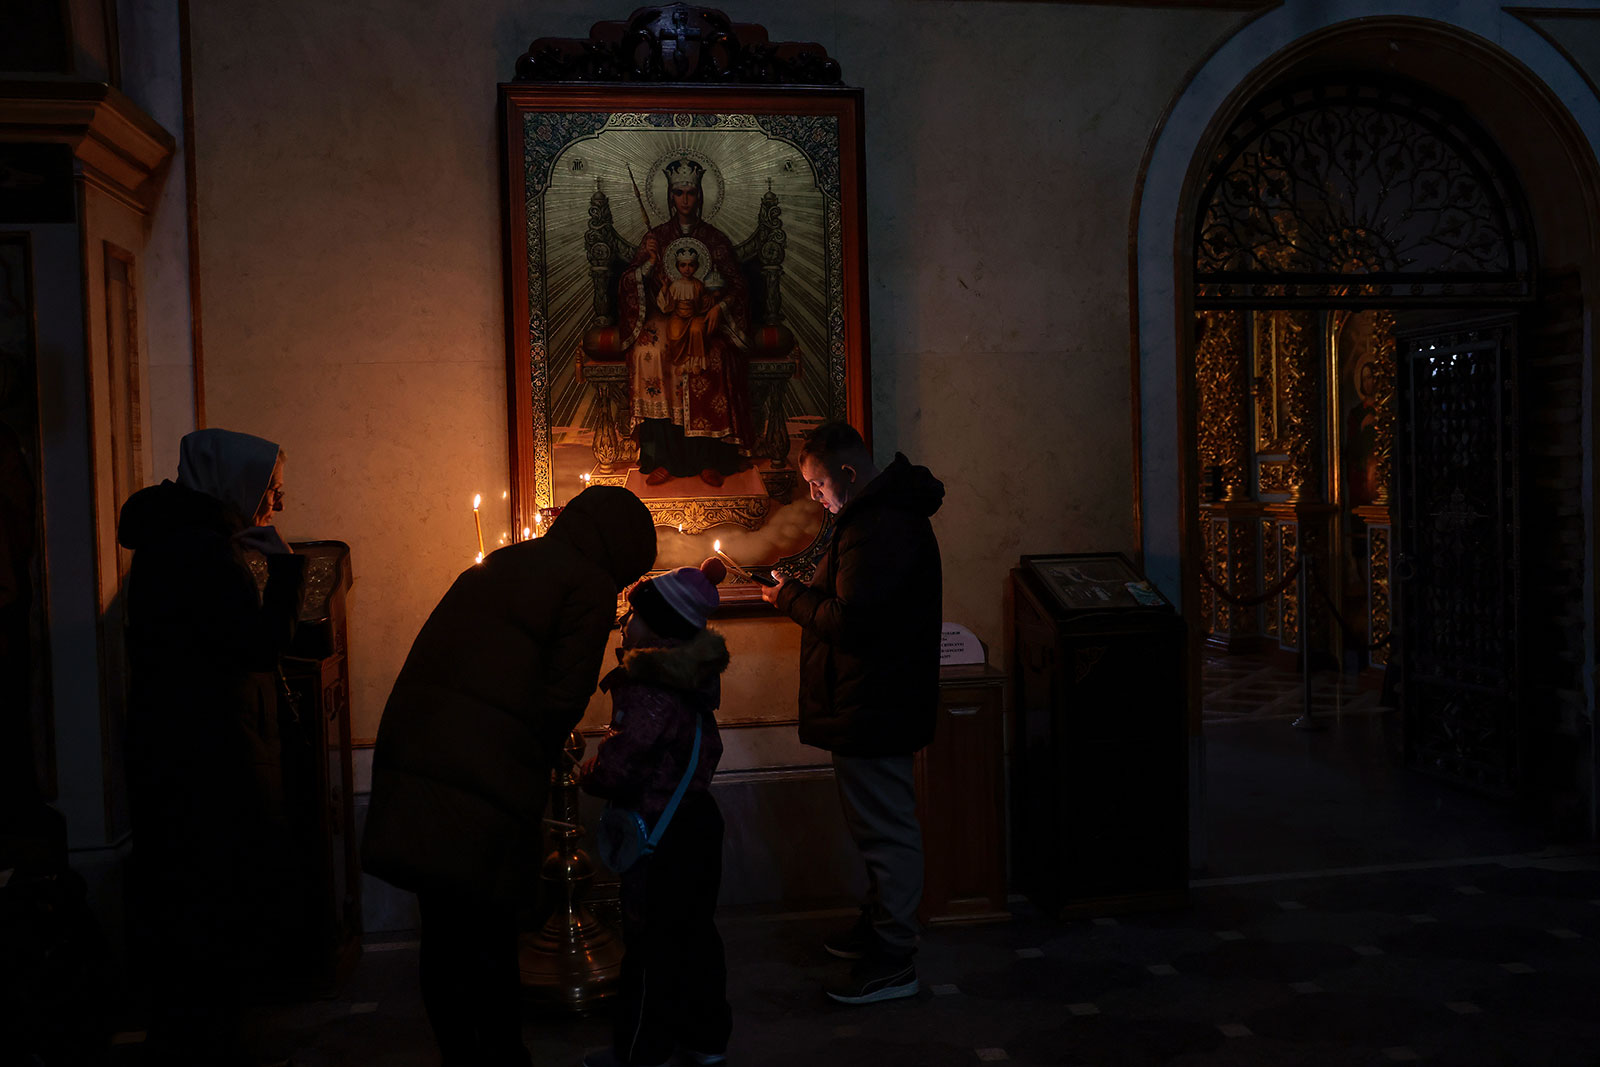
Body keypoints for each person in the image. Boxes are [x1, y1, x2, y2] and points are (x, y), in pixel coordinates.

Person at [362, 485, 656, 1067]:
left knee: (443, 930)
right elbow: (561, 699)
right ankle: (500, 1057)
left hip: (418, 754)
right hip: (483, 779)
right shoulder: (587, 585)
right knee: (491, 932)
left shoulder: (509, 561)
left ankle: (459, 1054)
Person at [116, 428, 305, 1065]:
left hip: (184, 757)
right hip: (204, 766)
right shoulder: (196, 550)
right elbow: (254, 645)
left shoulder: (183, 537)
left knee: (198, 918)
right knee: (209, 917)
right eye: (270, 489)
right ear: (235, 482)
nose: (274, 503)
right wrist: (283, 567)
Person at [760, 421, 944, 1005]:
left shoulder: (879, 525)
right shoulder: (875, 517)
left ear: (846, 472)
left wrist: (788, 596)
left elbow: (853, 623)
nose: (814, 498)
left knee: (887, 830)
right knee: (876, 828)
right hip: (871, 700)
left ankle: (895, 959)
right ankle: (879, 928)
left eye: (816, 485)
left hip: (876, 703)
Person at [579, 559, 733, 1067]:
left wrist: (589, 775)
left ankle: (640, 1050)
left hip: (660, 833)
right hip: (697, 821)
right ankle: (706, 1040)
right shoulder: (694, 684)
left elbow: (622, 765)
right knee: (696, 936)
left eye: (634, 616)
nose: (625, 622)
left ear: (659, 630)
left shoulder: (649, 688)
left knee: (649, 945)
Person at [618, 158, 754, 487]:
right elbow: (628, 285)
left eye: (691, 193)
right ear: (670, 196)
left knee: (711, 358)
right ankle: (662, 458)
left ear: (700, 195)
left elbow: (737, 287)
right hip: (663, 318)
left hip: (705, 322)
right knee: (648, 353)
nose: (685, 200)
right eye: (678, 193)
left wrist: (718, 307)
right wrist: (649, 263)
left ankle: (708, 458)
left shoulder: (715, 239)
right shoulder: (656, 236)